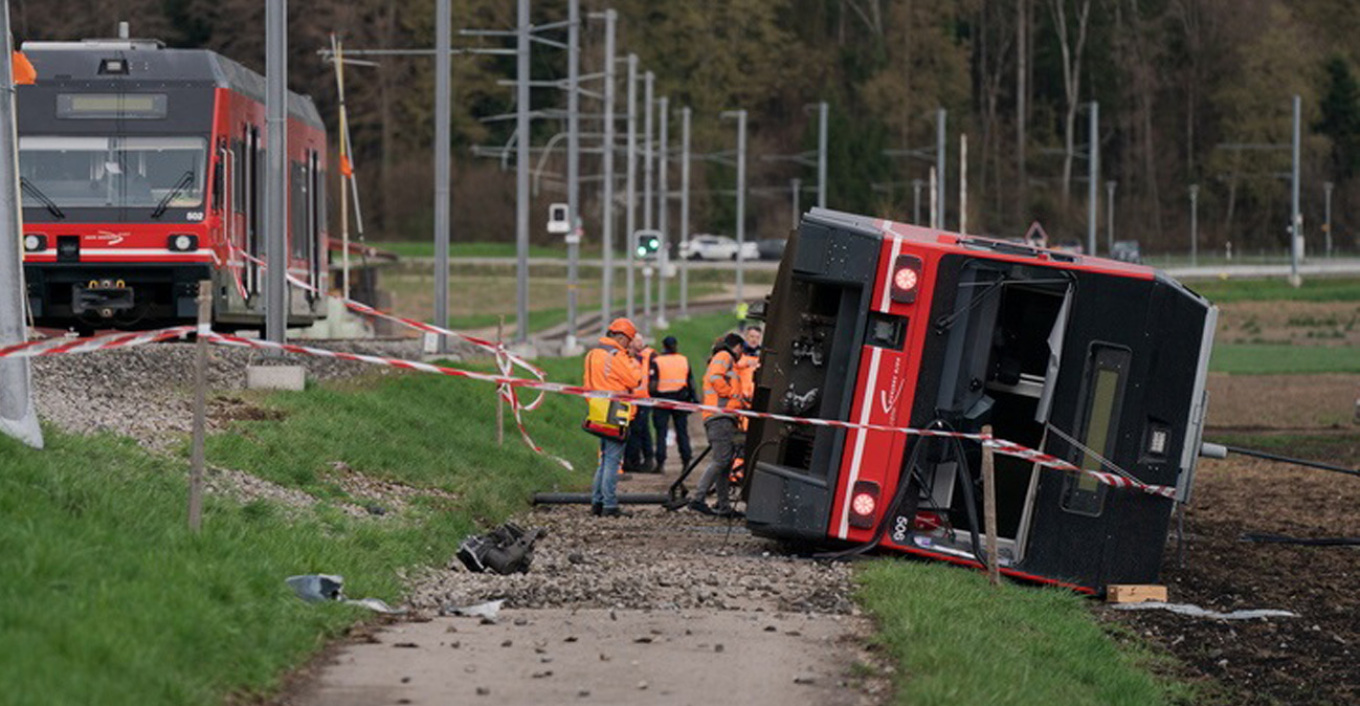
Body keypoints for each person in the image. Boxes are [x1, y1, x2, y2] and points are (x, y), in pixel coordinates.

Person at [583, 318, 643, 517]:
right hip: (616, 410)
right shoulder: (617, 355)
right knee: (613, 461)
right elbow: (635, 379)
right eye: (630, 340)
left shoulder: (593, 354)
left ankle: (597, 502)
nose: (630, 344)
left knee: (605, 458)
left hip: (598, 408)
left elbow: (586, 384)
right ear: (621, 337)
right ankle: (609, 504)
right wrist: (633, 360)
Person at [688, 332, 748, 517]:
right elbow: (715, 378)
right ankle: (698, 499)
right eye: (741, 349)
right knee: (721, 460)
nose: (741, 354)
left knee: (726, 462)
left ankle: (724, 506)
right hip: (719, 416)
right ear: (736, 346)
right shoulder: (725, 356)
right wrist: (730, 394)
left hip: (724, 416)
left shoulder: (724, 358)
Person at [649, 335, 694, 474]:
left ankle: (660, 463)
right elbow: (690, 382)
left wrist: (652, 397)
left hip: (662, 399)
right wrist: (693, 399)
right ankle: (686, 461)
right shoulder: (683, 360)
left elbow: (653, 384)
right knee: (682, 431)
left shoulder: (657, 361)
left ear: (663, 346)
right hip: (680, 398)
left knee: (661, 432)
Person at [623, 334, 657, 473]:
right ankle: (636, 460)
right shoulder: (632, 358)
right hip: (633, 399)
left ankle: (637, 460)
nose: (636, 344)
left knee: (639, 431)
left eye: (637, 342)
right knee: (637, 431)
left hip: (642, 399)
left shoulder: (645, 357)